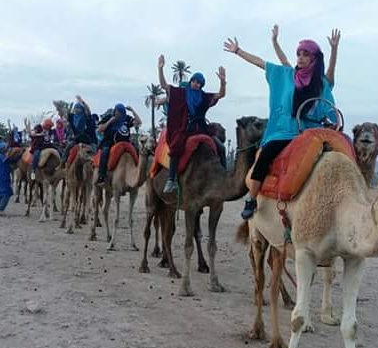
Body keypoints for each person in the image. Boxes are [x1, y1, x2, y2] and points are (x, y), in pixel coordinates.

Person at [224, 26, 341, 219]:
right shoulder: (287, 76)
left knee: (338, 155)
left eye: (305, 54)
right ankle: (251, 199)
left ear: (314, 58)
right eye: (299, 54)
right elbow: (261, 63)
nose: (301, 58)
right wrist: (238, 51)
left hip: (313, 130)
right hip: (286, 130)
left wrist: (334, 50)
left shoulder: (320, 82)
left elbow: (330, 77)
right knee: (265, 155)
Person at [158, 54, 227, 193]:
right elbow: (164, 86)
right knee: (176, 145)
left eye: (199, 83)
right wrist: (160, 69)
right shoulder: (181, 93)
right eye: (194, 81)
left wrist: (223, 82)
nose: (196, 84)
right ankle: (171, 179)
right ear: (191, 81)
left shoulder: (203, 96)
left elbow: (220, 95)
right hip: (184, 128)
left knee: (220, 146)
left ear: (201, 85)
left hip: (201, 128)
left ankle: (224, 177)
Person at [96, 104, 142, 185]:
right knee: (105, 151)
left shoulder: (126, 118)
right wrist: (110, 121)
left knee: (137, 150)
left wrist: (132, 110)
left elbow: (139, 122)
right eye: (116, 111)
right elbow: (100, 130)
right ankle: (101, 176)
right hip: (110, 142)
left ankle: (137, 172)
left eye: (120, 112)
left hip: (126, 142)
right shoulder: (109, 117)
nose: (118, 113)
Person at [61, 96, 96, 165]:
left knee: (95, 151)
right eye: (75, 108)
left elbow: (88, 110)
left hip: (90, 141)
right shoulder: (72, 118)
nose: (76, 110)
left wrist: (82, 102)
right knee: (68, 146)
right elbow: (64, 113)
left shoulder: (87, 117)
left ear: (82, 109)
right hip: (77, 141)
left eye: (78, 108)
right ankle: (62, 164)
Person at [0, 141, 22, 214]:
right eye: (5, 148)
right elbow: (12, 160)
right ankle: (1, 209)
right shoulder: (2, 156)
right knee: (7, 193)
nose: (6, 149)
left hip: (3, 176)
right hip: (3, 177)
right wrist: (20, 155)